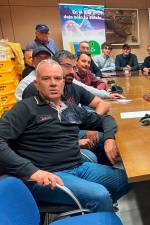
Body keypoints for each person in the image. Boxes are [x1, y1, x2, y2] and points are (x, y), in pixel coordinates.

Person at [0, 59, 130, 212]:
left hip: (79, 167)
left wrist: (109, 138)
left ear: (64, 82)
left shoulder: (70, 109)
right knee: (99, 195)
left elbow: (106, 120)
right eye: (46, 78)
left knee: (128, 180)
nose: (53, 83)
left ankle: (96, 209)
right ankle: (100, 209)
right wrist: (31, 171)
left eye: (57, 78)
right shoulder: (25, 108)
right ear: (37, 84)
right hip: (48, 175)